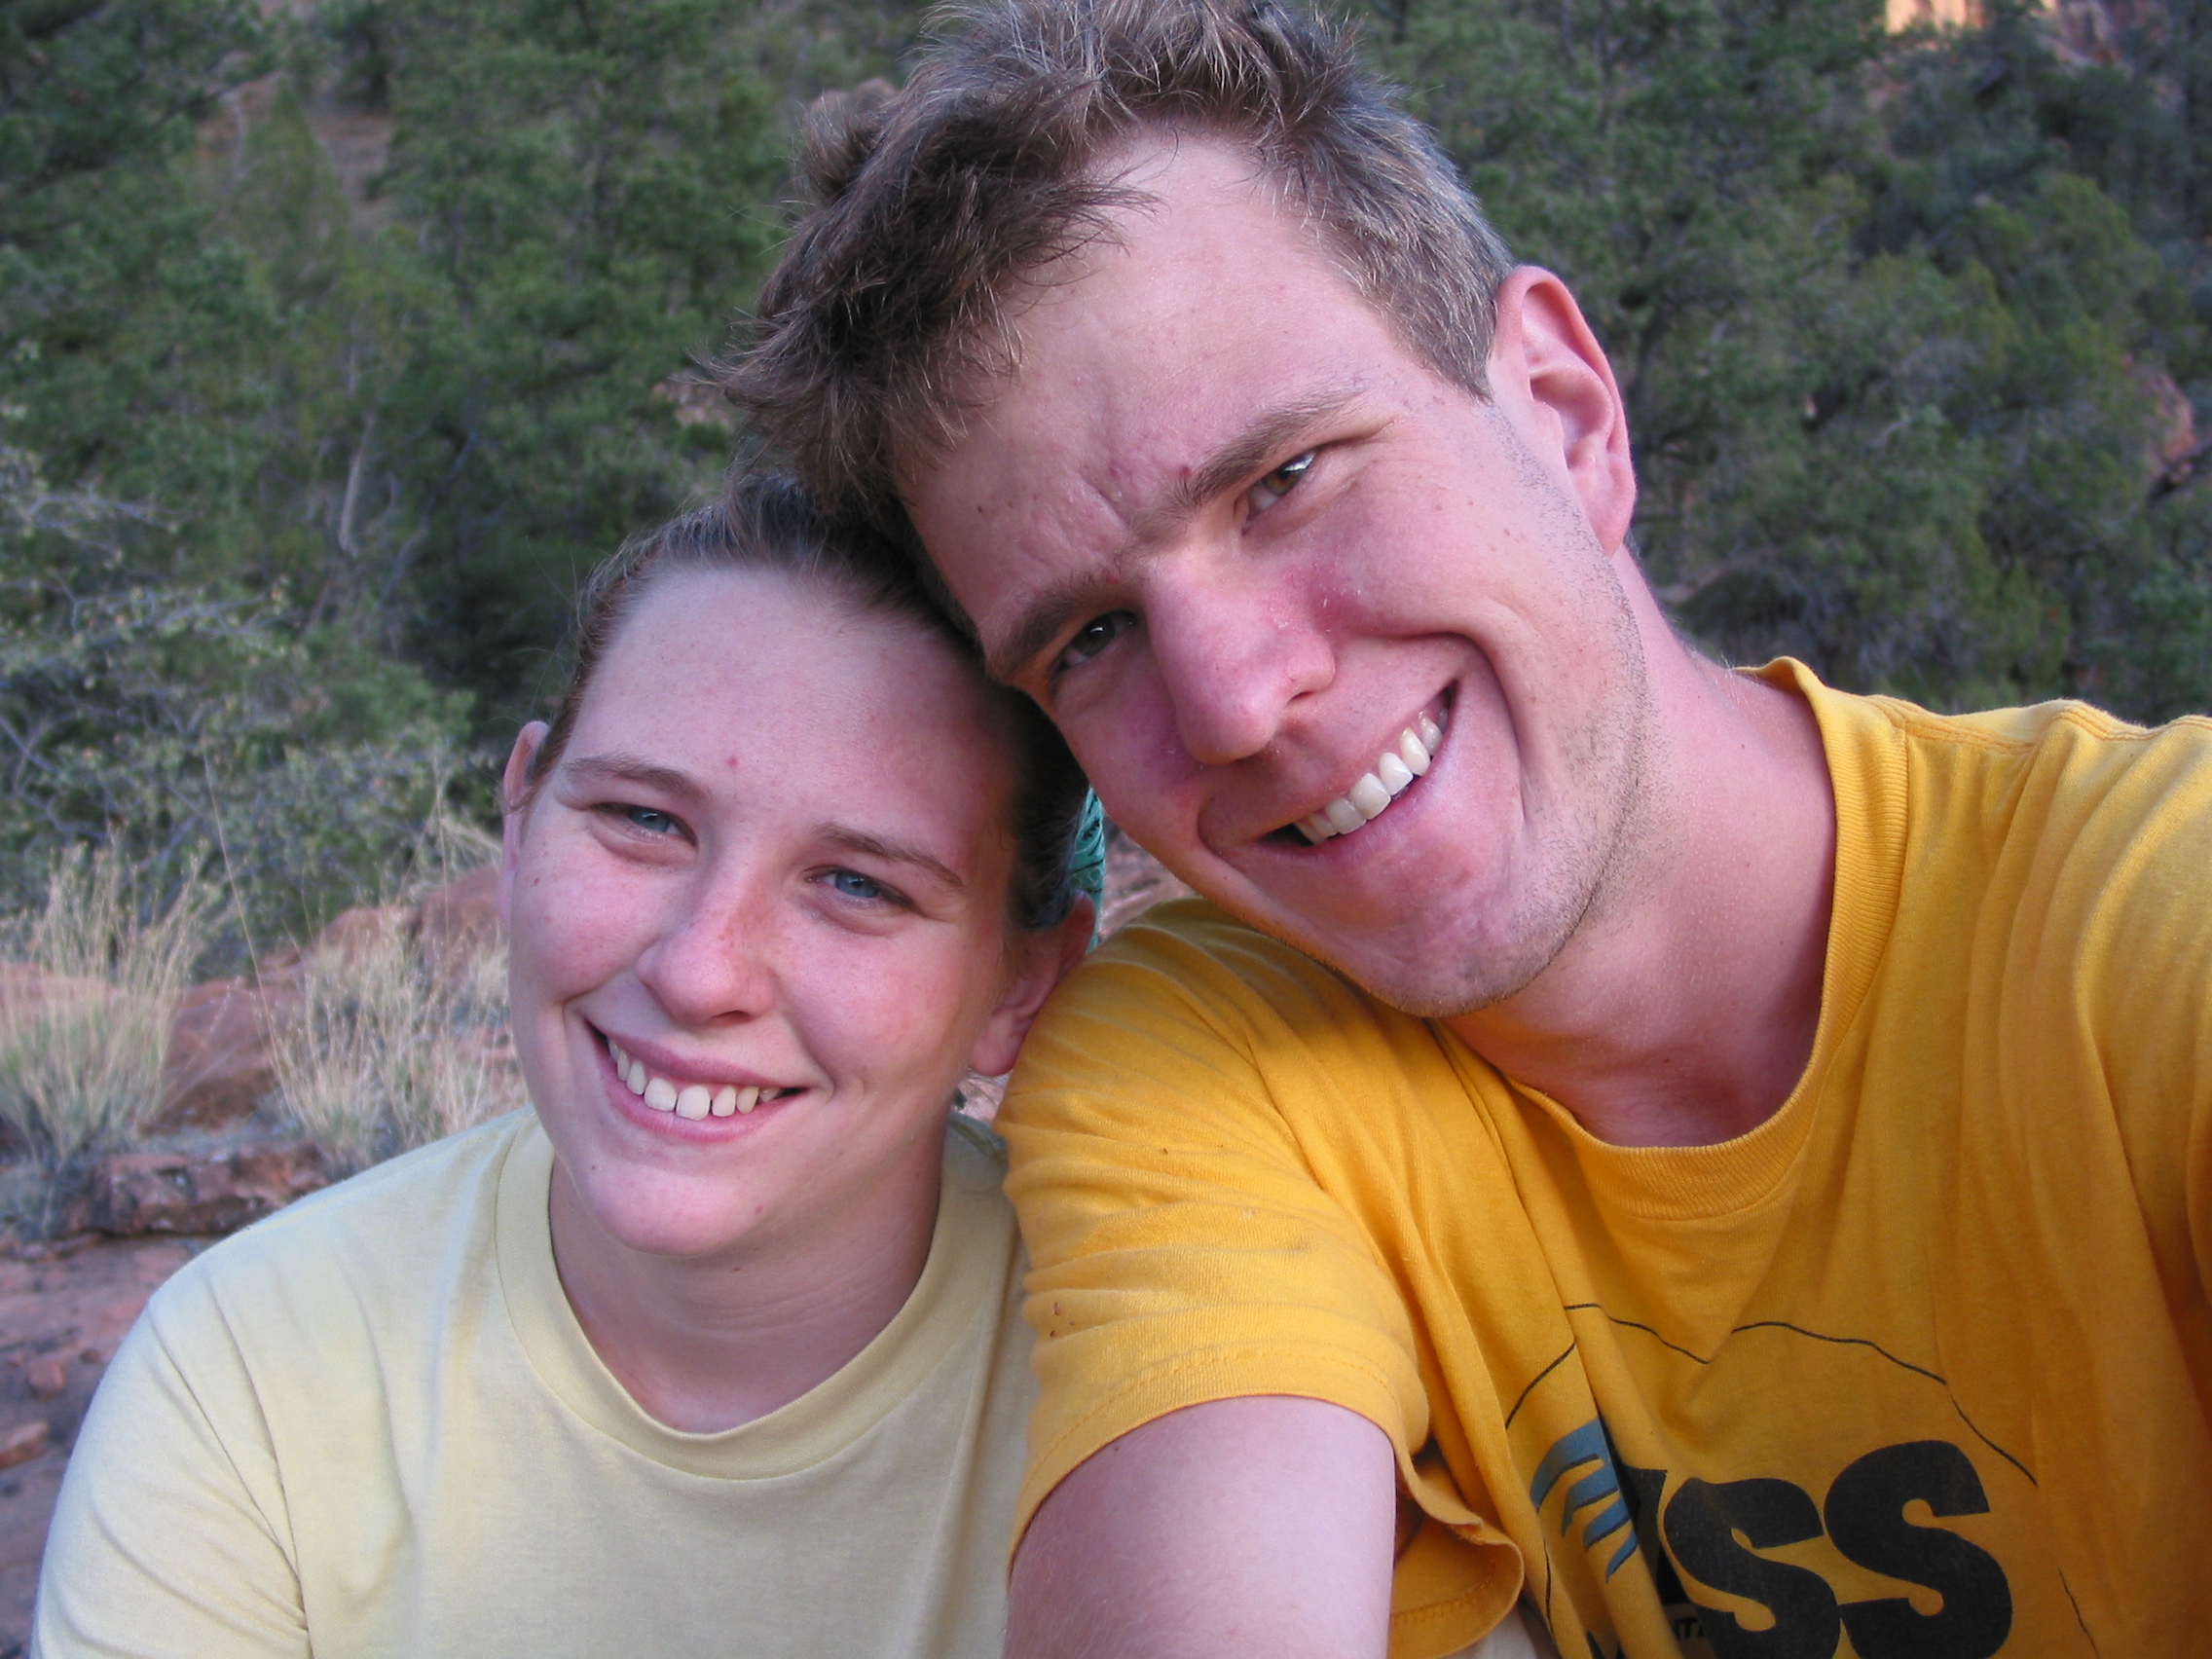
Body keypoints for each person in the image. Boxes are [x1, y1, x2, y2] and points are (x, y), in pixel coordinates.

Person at [730, 3, 2212, 1655]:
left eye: (1283, 477)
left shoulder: (2146, 916)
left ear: (1563, 411)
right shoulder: (1212, 1059)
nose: (1232, 700)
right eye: (1089, 636)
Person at [30, 478, 1095, 1657]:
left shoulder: (1139, 1380)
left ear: (1020, 985)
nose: (700, 972)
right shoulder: (252, 1379)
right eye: (644, 819)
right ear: (521, 814)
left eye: (859, 885)